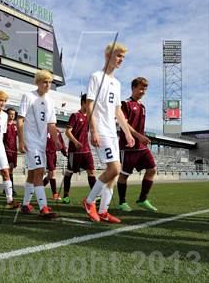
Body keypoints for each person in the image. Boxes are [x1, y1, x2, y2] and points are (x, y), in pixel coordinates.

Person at [82, 42, 135, 224]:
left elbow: (118, 111)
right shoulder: (96, 77)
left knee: (113, 174)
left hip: (113, 132)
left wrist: (127, 133)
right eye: (118, 55)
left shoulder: (117, 83)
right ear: (108, 56)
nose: (121, 59)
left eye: (123, 57)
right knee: (114, 169)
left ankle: (104, 211)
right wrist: (93, 130)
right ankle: (89, 202)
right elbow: (89, 105)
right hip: (101, 130)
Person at [18, 70, 61, 219]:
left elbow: (52, 124)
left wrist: (56, 140)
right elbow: (20, 120)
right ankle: (43, 208)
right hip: (31, 142)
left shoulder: (50, 101)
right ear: (37, 82)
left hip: (42, 143)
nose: (47, 85)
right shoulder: (28, 96)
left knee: (32, 173)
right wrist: (21, 141)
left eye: (49, 82)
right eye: (44, 82)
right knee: (40, 170)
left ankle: (25, 204)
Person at [117, 77, 157, 212]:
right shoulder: (125, 104)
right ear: (133, 88)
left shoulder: (142, 106)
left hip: (141, 146)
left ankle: (142, 199)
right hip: (128, 147)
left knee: (152, 169)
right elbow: (124, 124)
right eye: (140, 88)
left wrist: (142, 137)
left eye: (145, 89)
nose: (143, 91)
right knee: (124, 175)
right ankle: (122, 202)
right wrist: (139, 136)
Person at [62, 94, 97, 204]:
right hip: (75, 151)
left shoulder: (89, 117)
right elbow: (67, 132)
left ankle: (95, 195)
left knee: (91, 171)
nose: (91, 105)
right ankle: (66, 195)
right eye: (89, 103)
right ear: (83, 102)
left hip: (86, 150)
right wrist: (76, 142)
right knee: (69, 173)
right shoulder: (75, 115)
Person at [43, 129, 67, 200]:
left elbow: (61, 144)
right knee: (52, 173)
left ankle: (39, 187)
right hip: (46, 153)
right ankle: (55, 194)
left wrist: (65, 153)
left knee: (50, 175)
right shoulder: (43, 130)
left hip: (53, 154)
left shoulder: (57, 131)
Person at [3, 107, 18, 196]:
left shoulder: (15, 126)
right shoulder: (4, 124)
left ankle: (7, 188)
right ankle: (10, 189)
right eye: (10, 114)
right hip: (6, 149)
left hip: (14, 150)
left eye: (13, 114)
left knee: (11, 169)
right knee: (8, 169)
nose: (12, 115)